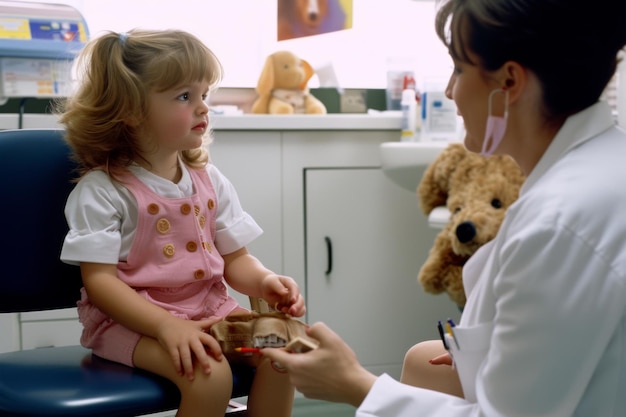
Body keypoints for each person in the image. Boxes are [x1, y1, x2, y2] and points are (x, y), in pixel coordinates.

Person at [263, 0, 626, 415]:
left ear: (508, 81)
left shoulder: (558, 224)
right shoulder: (602, 165)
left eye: (458, 69)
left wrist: (355, 384)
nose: (451, 92)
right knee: (422, 359)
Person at [58, 29, 306, 417]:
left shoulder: (209, 180)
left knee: (285, 351)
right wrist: (164, 326)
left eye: (204, 94)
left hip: (209, 310)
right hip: (135, 323)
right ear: (131, 110)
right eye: (184, 96)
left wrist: (264, 281)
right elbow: (101, 282)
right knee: (209, 374)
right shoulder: (104, 190)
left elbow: (236, 259)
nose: (204, 107)